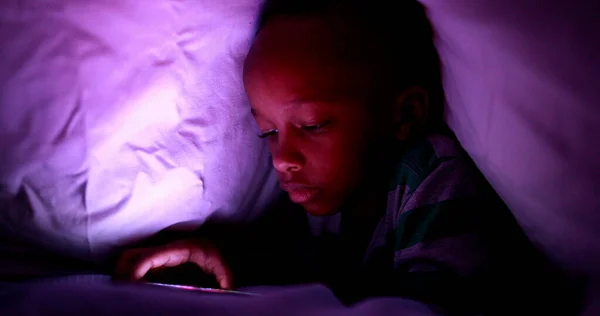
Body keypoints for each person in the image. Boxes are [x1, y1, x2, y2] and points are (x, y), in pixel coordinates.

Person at [114, 0, 547, 313]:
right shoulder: (323, 203)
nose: (282, 158)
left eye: (314, 125)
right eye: (267, 131)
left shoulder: (430, 177)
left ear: (404, 115)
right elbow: (283, 266)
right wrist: (211, 257)